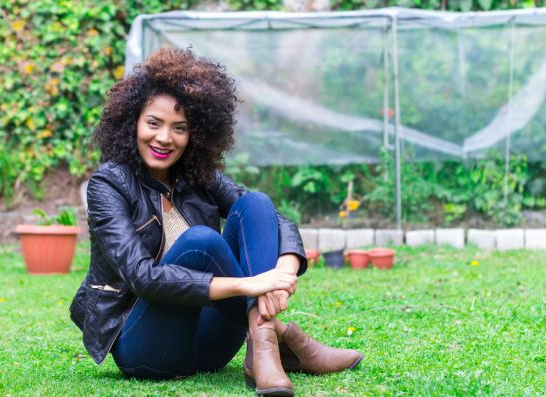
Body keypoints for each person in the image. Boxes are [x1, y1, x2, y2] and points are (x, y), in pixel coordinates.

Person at [69, 48, 362, 396]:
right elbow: (142, 276)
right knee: (201, 242)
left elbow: (267, 217)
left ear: (197, 134)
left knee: (255, 202)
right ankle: (284, 342)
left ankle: (263, 342)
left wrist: (282, 271)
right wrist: (249, 285)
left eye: (180, 128)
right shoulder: (109, 184)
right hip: (147, 346)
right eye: (153, 123)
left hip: (210, 347)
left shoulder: (198, 175)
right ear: (131, 120)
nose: (165, 138)